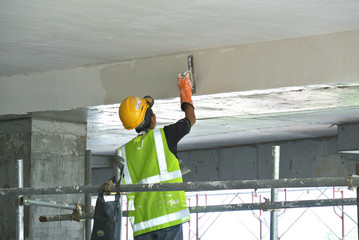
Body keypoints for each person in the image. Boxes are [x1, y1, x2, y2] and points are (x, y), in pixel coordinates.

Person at [115, 73, 196, 239]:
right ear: (151, 120)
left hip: (142, 227)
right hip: (169, 222)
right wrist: (185, 91)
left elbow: (119, 186)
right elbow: (190, 119)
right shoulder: (164, 136)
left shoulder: (123, 152)